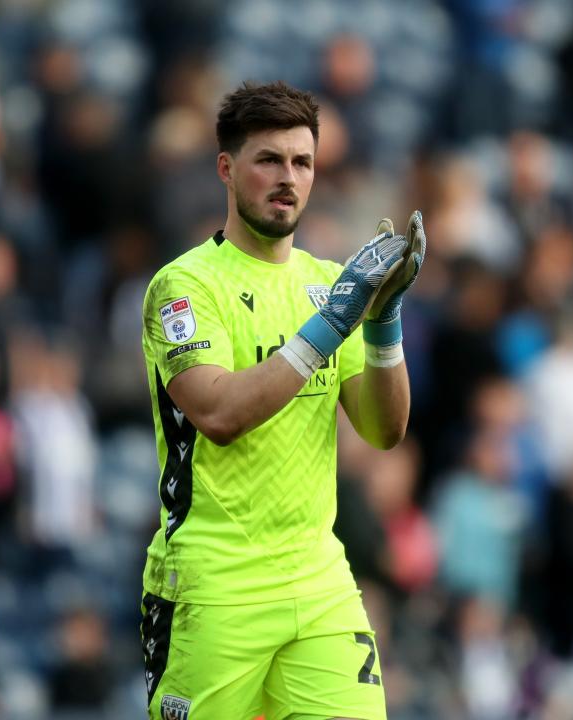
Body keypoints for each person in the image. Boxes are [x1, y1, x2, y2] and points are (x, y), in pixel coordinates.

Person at [138, 81, 425, 720]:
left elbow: (384, 431)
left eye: (302, 162)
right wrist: (337, 320)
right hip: (214, 585)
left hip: (318, 579)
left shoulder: (329, 285)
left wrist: (382, 321)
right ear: (226, 169)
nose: (287, 178)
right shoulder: (184, 286)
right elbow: (218, 414)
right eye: (268, 159)